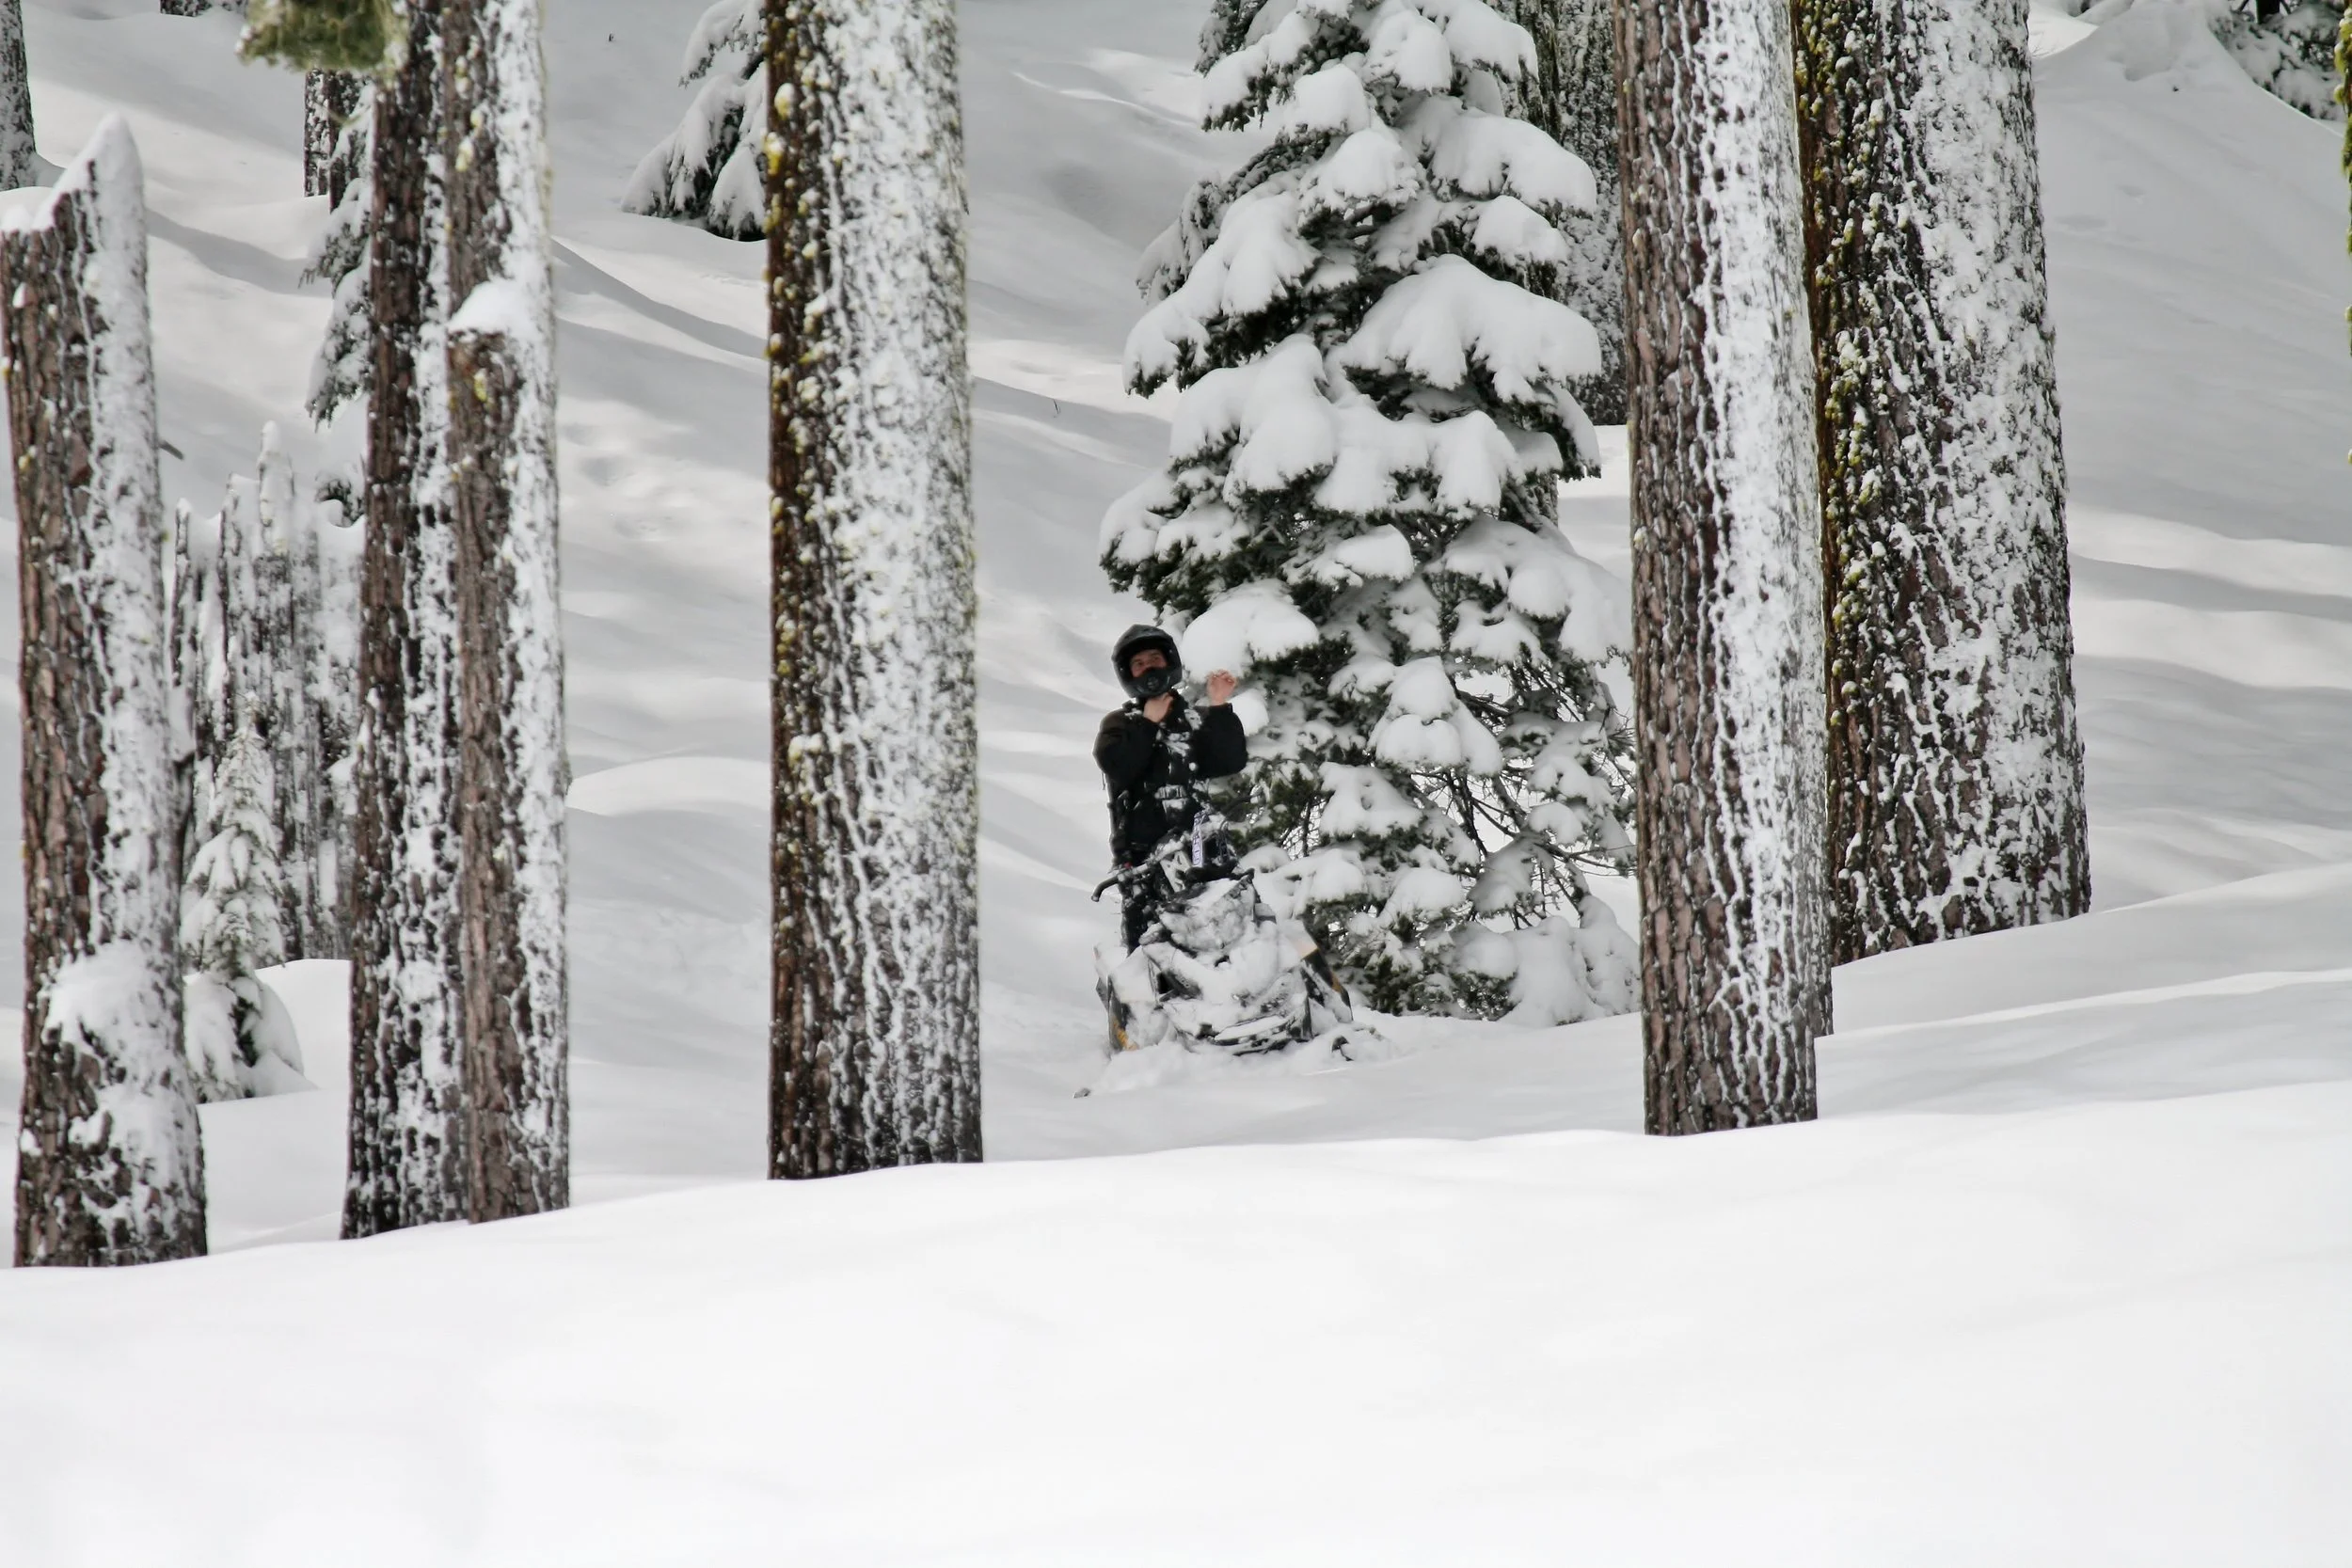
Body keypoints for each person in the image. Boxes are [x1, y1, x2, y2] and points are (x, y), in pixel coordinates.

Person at [1095, 625, 1245, 950]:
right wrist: (1147, 724)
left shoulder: (1192, 720)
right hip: (1143, 862)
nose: (1148, 668)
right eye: (1139, 663)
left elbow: (1229, 761)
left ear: (1169, 661)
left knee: (1240, 927)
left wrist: (1219, 706)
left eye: (1154, 659)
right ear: (1128, 673)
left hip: (1203, 848)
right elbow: (1117, 766)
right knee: (1152, 950)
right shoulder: (1119, 724)